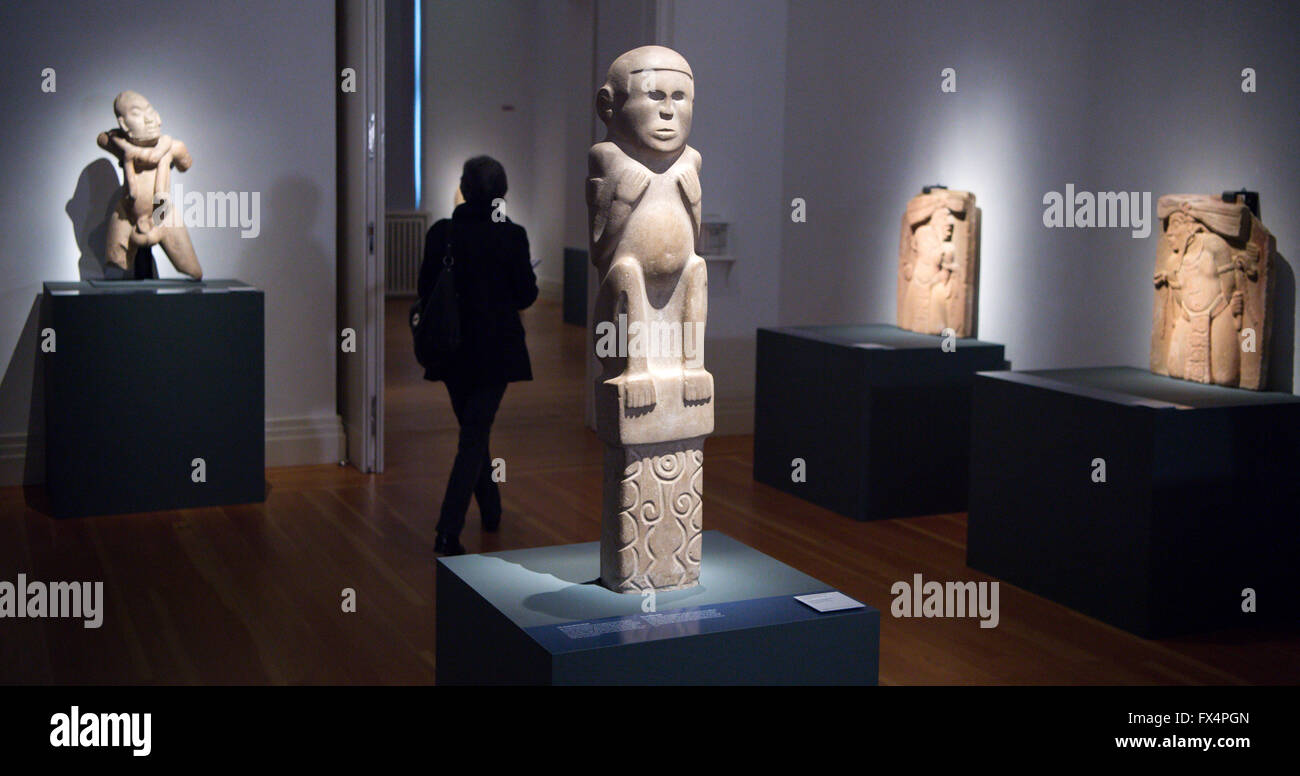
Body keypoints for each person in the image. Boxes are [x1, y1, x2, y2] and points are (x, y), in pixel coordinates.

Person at [418, 156, 538, 555]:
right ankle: (447, 530)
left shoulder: (442, 233)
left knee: (473, 432)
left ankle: (491, 510)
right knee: (474, 435)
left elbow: (424, 289)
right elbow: (526, 295)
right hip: (495, 351)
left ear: (465, 189)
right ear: (502, 192)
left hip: (450, 350)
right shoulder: (512, 234)